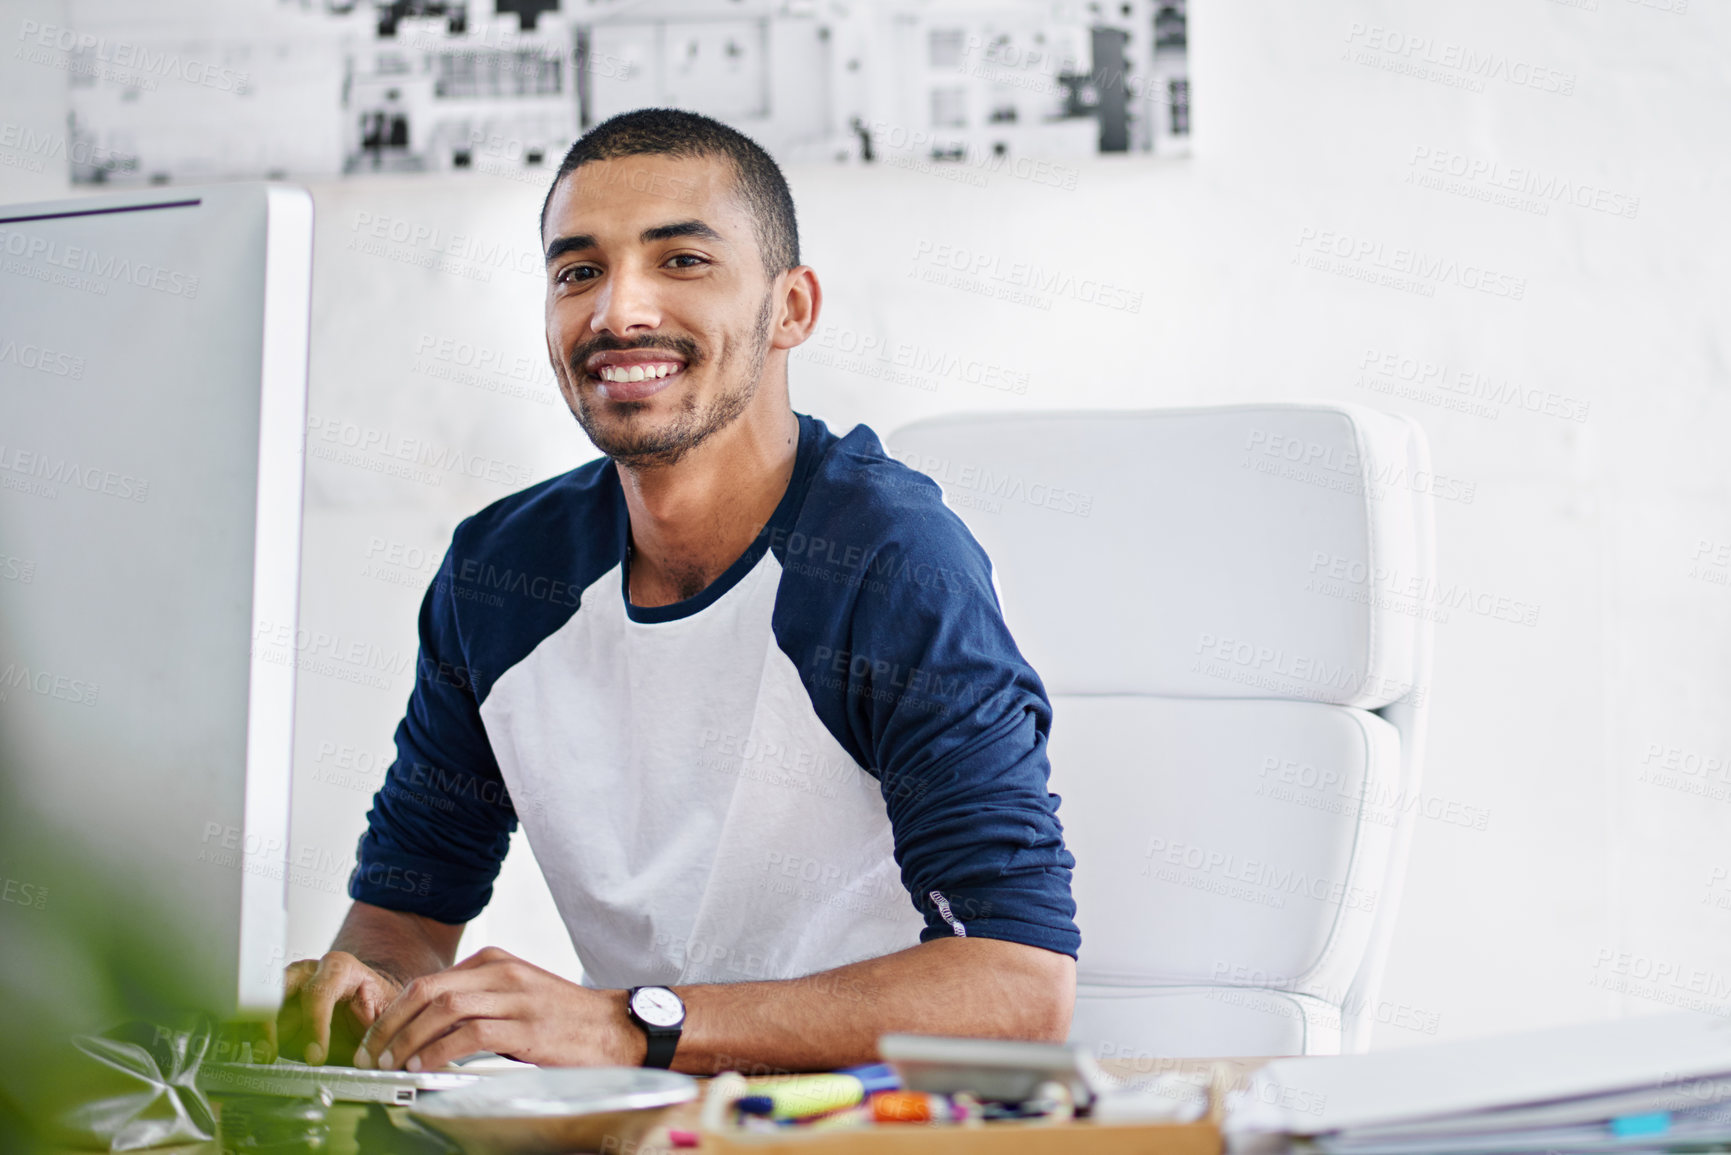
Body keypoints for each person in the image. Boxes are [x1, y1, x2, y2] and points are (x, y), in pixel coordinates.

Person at [278, 108, 1080, 1076]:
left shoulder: (891, 564)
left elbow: (1018, 988)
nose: (619, 312)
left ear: (792, 309)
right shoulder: (497, 576)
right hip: (638, 1132)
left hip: (873, 1129)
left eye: (682, 261)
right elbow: (401, 921)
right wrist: (370, 988)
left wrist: (628, 1025)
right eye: (578, 271)